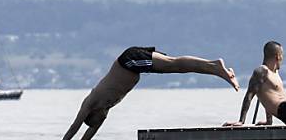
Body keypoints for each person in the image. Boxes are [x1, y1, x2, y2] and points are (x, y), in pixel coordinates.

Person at [62, 47, 239, 140]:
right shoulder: (103, 111)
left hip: (129, 61)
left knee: (173, 64)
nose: (102, 120)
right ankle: (216, 68)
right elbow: (88, 135)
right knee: (176, 67)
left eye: (99, 119)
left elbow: (74, 129)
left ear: (94, 113)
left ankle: (215, 66)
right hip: (134, 65)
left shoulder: (90, 103)